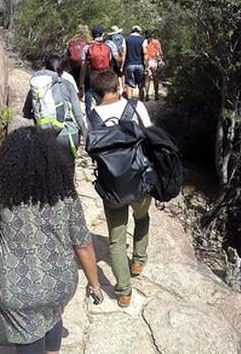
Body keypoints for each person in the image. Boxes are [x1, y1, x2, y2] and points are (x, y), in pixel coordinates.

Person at [0, 127, 104, 354]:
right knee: (52, 316)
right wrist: (94, 284)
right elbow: (82, 243)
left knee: (30, 338)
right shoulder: (65, 194)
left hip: (19, 289)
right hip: (60, 284)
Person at [87, 70, 152, 308]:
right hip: (140, 181)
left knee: (116, 240)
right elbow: (150, 135)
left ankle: (124, 292)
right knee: (142, 217)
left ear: (95, 94)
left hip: (111, 187)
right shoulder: (135, 107)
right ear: (119, 86)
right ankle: (138, 260)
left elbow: (90, 148)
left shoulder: (92, 117)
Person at [22, 54, 87, 155]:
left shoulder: (37, 87)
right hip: (68, 134)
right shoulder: (67, 84)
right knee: (68, 168)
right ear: (62, 69)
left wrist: (41, 118)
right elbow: (78, 113)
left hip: (45, 135)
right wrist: (84, 134)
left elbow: (26, 112)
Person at [79, 25, 113, 112]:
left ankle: (90, 112)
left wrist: (80, 86)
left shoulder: (87, 48)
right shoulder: (108, 45)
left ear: (92, 35)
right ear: (103, 34)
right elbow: (112, 61)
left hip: (93, 76)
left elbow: (83, 69)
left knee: (91, 92)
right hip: (106, 75)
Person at [121, 25, 147, 100]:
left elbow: (124, 53)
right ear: (139, 32)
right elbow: (145, 53)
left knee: (129, 85)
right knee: (141, 85)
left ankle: (130, 103)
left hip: (129, 65)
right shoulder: (143, 40)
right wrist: (147, 66)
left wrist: (122, 66)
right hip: (140, 65)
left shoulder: (125, 39)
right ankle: (141, 103)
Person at [143, 31, 163, 101]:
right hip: (155, 61)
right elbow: (160, 52)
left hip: (147, 62)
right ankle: (156, 95)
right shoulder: (156, 42)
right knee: (156, 79)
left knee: (147, 79)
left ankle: (147, 95)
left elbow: (144, 53)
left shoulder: (144, 42)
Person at [105, 25, 126, 93]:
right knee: (122, 74)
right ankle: (124, 89)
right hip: (122, 57)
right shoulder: (122, 38)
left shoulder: (109, 41)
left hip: (112, 60)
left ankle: (118, 90)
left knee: (115, 75)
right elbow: (124, 49)